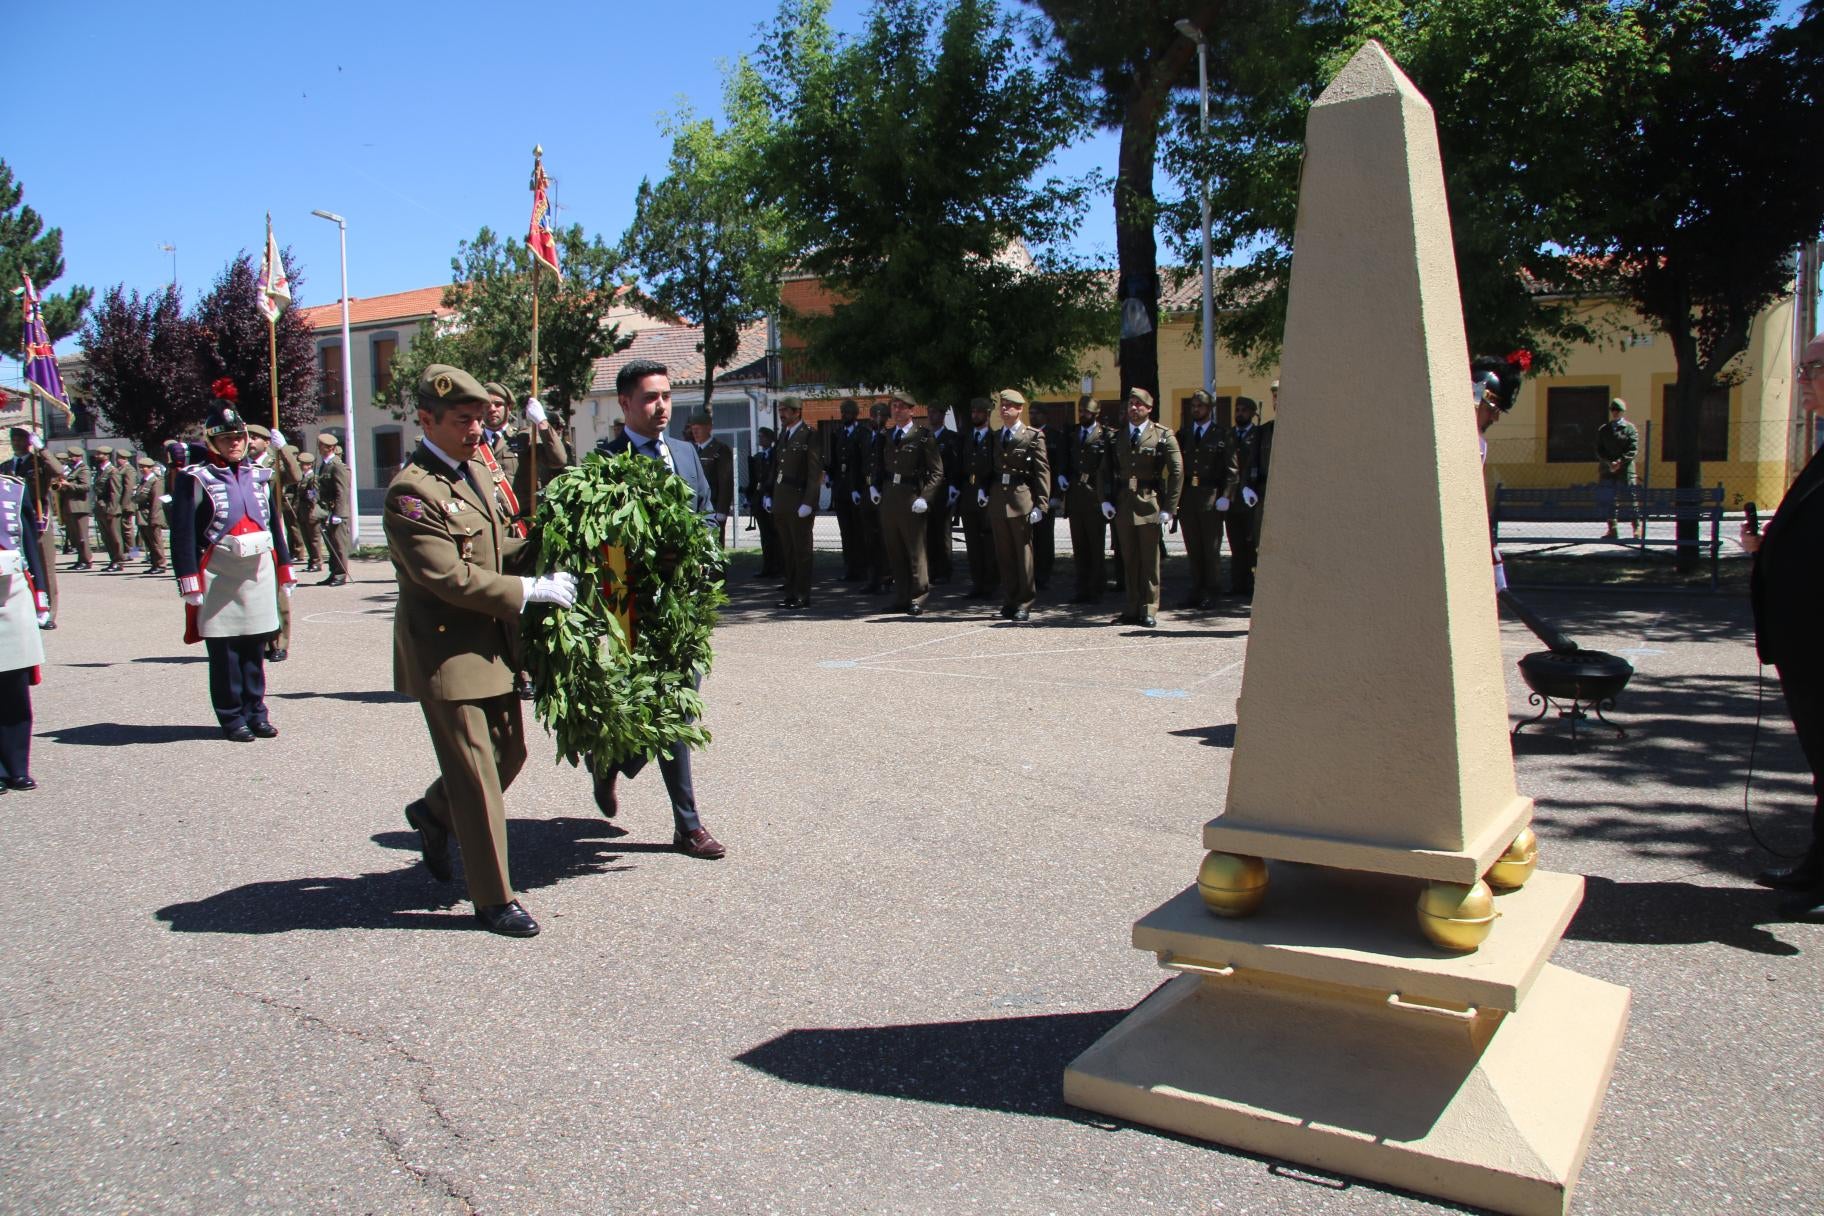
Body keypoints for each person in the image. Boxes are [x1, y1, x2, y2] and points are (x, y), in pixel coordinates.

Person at [385, 364, 578, 938]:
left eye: (479, 418)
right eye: (462, 420)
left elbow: (499, 543)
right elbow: (447, 577)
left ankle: (431, 813)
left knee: (508, 757)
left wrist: (549, 545)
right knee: (477, 775)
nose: (476, 429)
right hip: (447, 654)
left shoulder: (476, 473)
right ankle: (493, 897)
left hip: (492, 643)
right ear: (427, 420)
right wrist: (527, 591)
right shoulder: (411, 492)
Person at [593, 358, 728, 860]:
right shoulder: (607, 463)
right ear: (626, 403)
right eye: (650, 397)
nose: (661, 406)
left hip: (687, 606)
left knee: (675, 708)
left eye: (667, 396)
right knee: (665, 709)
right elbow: (603, 542)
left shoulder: (686, 452)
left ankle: (613, 760)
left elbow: (709, 510)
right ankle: (688, 826)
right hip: (635, 608)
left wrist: (703, 544)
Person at [1743, 334, 1824, 919]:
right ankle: (1817, 868)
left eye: (1811, 368)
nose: (1802, 379)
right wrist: (1767, 546)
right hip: (1805, 640)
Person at [169, 383, 296, 743]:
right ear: (212, 441)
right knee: (225, 653)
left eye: (238, 437)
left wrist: (285, 568)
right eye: (226, 438)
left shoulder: (259, 476)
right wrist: (188, 579)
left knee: (255, 649)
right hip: (218, 572)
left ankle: (257, 711)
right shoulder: (195, 478)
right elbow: (182, 533)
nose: (235, 443)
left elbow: (274, 525)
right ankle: (231, 716)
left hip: (256, 571)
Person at [1103, 387, 1182, 627]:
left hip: (1149, 501)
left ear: (1149, 408)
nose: (1133, 408)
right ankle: (1131, 607)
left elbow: (1177, 470)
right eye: (1131, 404)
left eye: (1139, 404)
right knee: (1129, 559)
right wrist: (1105, 499)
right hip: (1124, 503)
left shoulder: (1162, 435)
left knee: (1149, 560)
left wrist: (1170, 507)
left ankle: (1149, 608)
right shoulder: (1117, 437)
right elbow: (1104, 470)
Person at [871, 390, 944, 616]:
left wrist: (925, 497)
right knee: (895, 551)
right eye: (894, 405)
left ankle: (918, 596)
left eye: (902, 406)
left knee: (915, 551)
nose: (897, 409)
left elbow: (937, 472)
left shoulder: (923, 436)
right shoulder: (886, 435)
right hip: (889, 497)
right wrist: (873, 485)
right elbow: (878, 465)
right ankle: (901, 596)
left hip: (911, 496)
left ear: (912, 410)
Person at [0, 467, 50, 790]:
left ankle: (16, 763)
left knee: (14, 684)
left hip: (12, 588)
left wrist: (41, 595)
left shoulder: (13, 490)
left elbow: (30, 544)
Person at [986, 389, 1050, 622]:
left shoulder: (1032, 436)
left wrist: (1041, 504)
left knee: (1023, 553)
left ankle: (1025, 601)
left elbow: (1042, 472)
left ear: (1020, 409)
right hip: (998, 499)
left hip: (1021, 497)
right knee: (1004, 554)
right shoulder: (995, 435)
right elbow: (990, 468)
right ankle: (1010, 599)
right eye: (1002, 405)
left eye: (1009, 406)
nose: (1004, 409)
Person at [1177, 390, 1237, 608]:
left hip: (1210, 494)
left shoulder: (1221, 434)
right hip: (1189, 496)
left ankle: (1213, 591)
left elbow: (1232, 469)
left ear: (1209, 409)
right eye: (1193, 406)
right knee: (1193, 547)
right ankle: (1197, 589)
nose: (1195, 410)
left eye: (1200, 406)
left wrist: (1226, 495)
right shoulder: (1184, 434)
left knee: (1210, 548)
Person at [768, 395, 822, 610]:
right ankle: (790, 592)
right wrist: (768, 493)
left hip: (799, 500)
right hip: (782, 499)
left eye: (786, 410)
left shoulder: (809, 435)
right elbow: (776, 467)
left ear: (797, 412)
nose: (782, 414)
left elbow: (814, 472)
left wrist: (809, 501)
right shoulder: (784, 435)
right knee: (787, 550)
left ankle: (802, 594)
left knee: (801, 551)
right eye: (781, 410)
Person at [5, 427, 61, 628]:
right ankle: (27, 609)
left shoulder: (38, 463)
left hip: (38, 519)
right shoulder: (6, 466)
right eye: (15, 439)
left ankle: (49, 612)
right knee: (20, 567)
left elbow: (58, 470)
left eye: (21, 439)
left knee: (44, 567)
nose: (17, 442)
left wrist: (43, 449)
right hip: (14, 522)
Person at [1063, 398, 1113, 603]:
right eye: (1081, 411)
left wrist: (1107, 497)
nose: (1083, 414)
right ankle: (1081, 587)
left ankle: (1097, 587)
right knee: (1079, 545)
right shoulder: (1073, 433)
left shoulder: (1105, 435)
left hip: (1095, 494)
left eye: (1087, 412)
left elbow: (1108, 468)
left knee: (1095, 544)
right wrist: (1062, 475)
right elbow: (1065, 459)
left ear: (1097, 412)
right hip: (1076, 495)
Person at [1224, 396, 1268, 598]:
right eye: (1237, 409)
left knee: (1252, 544)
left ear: (1252, 413)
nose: (1239, 413)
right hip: (1233, 499)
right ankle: (1237, 583)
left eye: (1244, 410)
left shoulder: (1258, 435)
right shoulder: (1229, 435)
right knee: (1236, 543)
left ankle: (1252, 584)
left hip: (1251, 497)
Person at [959, 398, 1000, 599]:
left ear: (987, 414)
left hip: (987, 495)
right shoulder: (966, 438)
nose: (975, 415)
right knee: (973, 542)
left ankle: (991, 583)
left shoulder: (994, 439)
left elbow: (996, 467)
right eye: (973, 411)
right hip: (968, 494)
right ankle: (977, 583)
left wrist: (987, 489)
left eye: (979, 412)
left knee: (989, 541)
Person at [830, 398, 867, 580]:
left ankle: (862, 568)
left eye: (848, 413)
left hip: (857, 489)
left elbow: (862, 463)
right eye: (843, 412)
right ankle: (850, 568)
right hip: (841, 489)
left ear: (856, 414)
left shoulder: (863, 433)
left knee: (859, 530)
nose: (844, 416)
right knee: (846, 531)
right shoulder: (838, 433)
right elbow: (834, 461)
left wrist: (858, 487)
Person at [688, 412, 735, 548]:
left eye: (699, 428)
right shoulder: (693, 450)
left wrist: (722, 510)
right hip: (698, 509)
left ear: (709, 428)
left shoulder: (720, 449)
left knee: (715, 547)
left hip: (713, 508)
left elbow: (726, 481)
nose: (695, 431)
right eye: (693, 428)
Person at [1595, 398, 1640, 539]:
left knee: (1630, 498)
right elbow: (1599, 449)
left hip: (1625, 469)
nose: (1615, 413)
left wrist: (1620, 461)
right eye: (1613, 410)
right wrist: (1609, 463)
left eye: (1618, 410)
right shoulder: (1604, 430)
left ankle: (1637, 527)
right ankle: (1612, 529)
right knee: (1610, 499)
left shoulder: (1630, 429)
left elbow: (1633, 449)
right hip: (1608, 469)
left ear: (1622, 412)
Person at [926, 403, 961, 585]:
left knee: (943, 532)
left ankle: (944, 570)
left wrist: (954, 487)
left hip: (945, 489)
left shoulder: (951, 438)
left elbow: (955, 464)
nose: (932, 416)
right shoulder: (925, 437)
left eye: (935, 412)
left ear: (942, 415)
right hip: (929, 490)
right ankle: (931, 569)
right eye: (930, 412)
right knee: (928, 532)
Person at [314, 433, 352, 585]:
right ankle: (333, 572)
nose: (319, 448)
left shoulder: (336, 465)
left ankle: (341, 575)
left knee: (339, 544)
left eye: (322, 446)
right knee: (331, 545)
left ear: (330, 448)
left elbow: (342, 491)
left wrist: (339, 513)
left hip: (335, 511)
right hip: (326, 510)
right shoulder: (325, 464)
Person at [747, 427, 779, 578]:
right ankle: (768, 566)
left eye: (763, 437)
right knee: (765, 536)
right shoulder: (758, 457)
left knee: (776, 534)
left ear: (770, 439)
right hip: (760, 499)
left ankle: (779, 566)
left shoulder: (775, 455)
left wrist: (770, 495)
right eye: (759, 436)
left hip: (773, 498)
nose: (760, 439)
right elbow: (755, 480)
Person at [131, 455, 168, 575]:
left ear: (151, 468)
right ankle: (154, 563)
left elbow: (157, 502)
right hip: (143, 515)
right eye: (140, 467)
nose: (142, 469)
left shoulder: (155, 481)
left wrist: (154, 518)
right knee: (148, 542)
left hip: (151, 515)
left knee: (156, 542)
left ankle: (161, 564)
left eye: (145, 467)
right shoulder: (144, 481)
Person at [93, 445, 126, 571]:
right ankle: (113, 560)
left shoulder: (113, 471)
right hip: (101, 509)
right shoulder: (100, 471)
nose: (96, 456)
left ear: (106, 456)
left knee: (115, 537)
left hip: (110, 509)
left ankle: (118, 561)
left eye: (99, 454)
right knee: (106, 537)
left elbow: (115, 492)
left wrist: (111, 510)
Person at [60, 448, 94, 570]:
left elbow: (86, 487)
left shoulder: (83, 469)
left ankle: (87, 560)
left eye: (72, 456)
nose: (69, 458)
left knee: (82, 536)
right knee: (75, 537)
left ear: (79, 456)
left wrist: (69, 485)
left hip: (79, 507)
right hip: (71, 507)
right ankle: (81, 559)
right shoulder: (74, 469)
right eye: (69, 455)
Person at [294, 450, 323, 570]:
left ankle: (317, 561)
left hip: (310, 511)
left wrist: (309, 495)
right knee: (306, 538)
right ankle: (311, 561)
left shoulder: (313, 478)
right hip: (302, 511)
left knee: (314, 539)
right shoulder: (303, 477)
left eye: (303, 464)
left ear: (310, 465)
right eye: (300, 464)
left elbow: (314, 496)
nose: (301, 466)